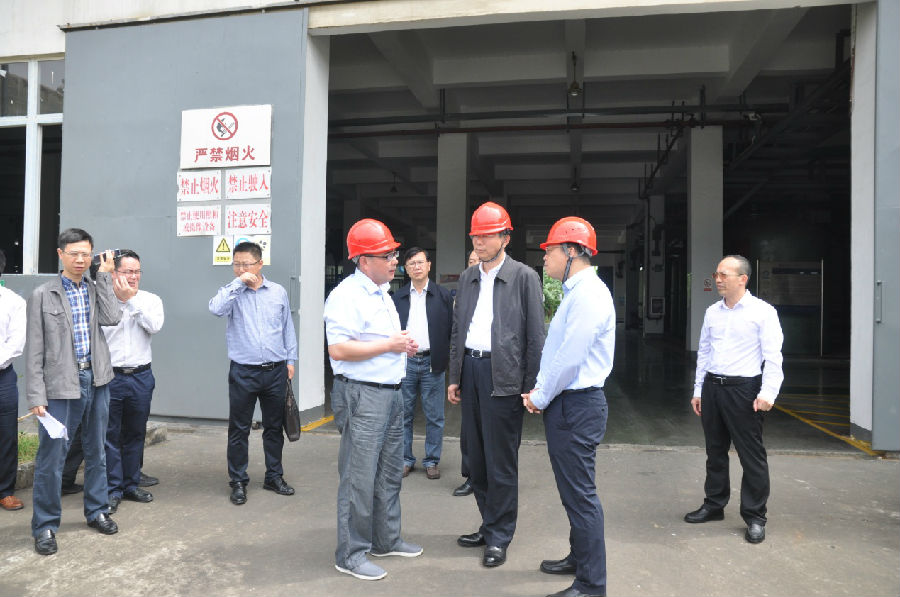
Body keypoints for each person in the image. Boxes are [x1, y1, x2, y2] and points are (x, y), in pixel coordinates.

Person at [447, 202, 545, 568]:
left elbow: (535, 337)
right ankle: (489, 524)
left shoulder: (524, 277)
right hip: (471, 371)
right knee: (475, 459)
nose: (479, 241)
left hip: (503, 375)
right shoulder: (468, 277)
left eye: (487, 235)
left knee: (500, 462)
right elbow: (458, 330)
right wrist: (454, 376)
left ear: (505, 237)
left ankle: (500, 536)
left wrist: (531, 386)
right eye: (475, 235)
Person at [324, 218, 422, 581]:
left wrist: (401, 346)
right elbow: (339, 349)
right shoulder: (346, 296)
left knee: (388, 473)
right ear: (364, 261)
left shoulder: (380, 292)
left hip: (390, 393)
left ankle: (386, 539)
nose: (396, 260)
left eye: (394, 253)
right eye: (387, 255)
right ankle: (350, 554)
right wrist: (389, 345)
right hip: (363, 395)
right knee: (359, 477)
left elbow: (377, 341)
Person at [522, 217, 614, 597]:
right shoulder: (576, 292)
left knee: (580, 496)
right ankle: (580, 558)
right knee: (573, 492)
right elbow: (559, 351)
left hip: (576, 406)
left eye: (550, 251)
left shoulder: (589, 294)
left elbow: (571, 358)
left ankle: (591, 585)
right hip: (569, 404)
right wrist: (543, 390)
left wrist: (540, 396)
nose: (545, 258)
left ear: (572, 251)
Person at [26, 228, 124, 555]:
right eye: (74, 253)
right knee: (52, 457)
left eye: (86, 254)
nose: (80, 260)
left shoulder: (96, 288)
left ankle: (97, 510)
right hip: (60, 385)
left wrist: (105, 277)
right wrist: (36, 395)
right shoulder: (43, 294)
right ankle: (45, 525)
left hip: (97, 379)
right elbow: (35, 349)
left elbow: (112, 317)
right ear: (60, 254)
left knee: (97, 450)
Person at [684, 254, 784, 545]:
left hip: (744, 390)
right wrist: (698, 390)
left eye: (724, 275)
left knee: (751, 456)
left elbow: (773, 357)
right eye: (716, 274)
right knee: (715, 451)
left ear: (743, 279)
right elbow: (704, 353)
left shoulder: (763, 312)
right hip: (713, 388)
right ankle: (714, 504)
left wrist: (768, 393)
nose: (717, 279)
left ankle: (755, 516)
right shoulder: (712, 312)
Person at [209, 241, 297, 506]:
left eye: (246, 264)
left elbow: (287, 327)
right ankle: (238, 481)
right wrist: (238, 283)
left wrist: (290, 359)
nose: (240, 269)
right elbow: (215, 309)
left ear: (260, 264)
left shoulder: (278, 292)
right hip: (243, 372)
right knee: (239, 429)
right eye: (236, 264)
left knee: (274, 428)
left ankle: (274, 476)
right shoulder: (232, 292)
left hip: (276, 371)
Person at [102, 250, 164, 514]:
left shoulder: (150, 300)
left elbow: (154, 326)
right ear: (114, 273)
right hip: (110, 377)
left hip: (140, 376)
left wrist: (131, 302)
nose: (133, 276)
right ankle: (113, 489)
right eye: (128, 271)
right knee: (110, 435)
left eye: (137, 271)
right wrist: (119, 300)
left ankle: (131, 484)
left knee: (136, 433)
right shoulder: (102, 299)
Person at [392, 247, 453, 480]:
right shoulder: (397, 297)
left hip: (432, 363)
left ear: (429, 265)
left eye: (420, 262)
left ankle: (432, 460)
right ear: (406, 269)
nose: (416, 267)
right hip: (405, 362)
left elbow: (451, 330)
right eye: (411, 264)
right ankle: (405, 459)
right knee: (403, 414)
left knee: (435, 416)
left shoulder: (443, 296)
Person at [452, 249, 480, 498]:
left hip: (495, 367)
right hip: (469, 366)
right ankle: (471, 477)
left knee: (493, 428)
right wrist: (455, 377)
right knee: (469, 429)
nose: (474, 265)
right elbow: (457, 335)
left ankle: (493, 477)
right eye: (470, 261)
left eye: (478, 261)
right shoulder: (464, 289)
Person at [0, 250, 27, 512]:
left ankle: (5, 491)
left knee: (6, 435)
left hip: (2, 378)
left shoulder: (13, 302)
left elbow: (15, 344)